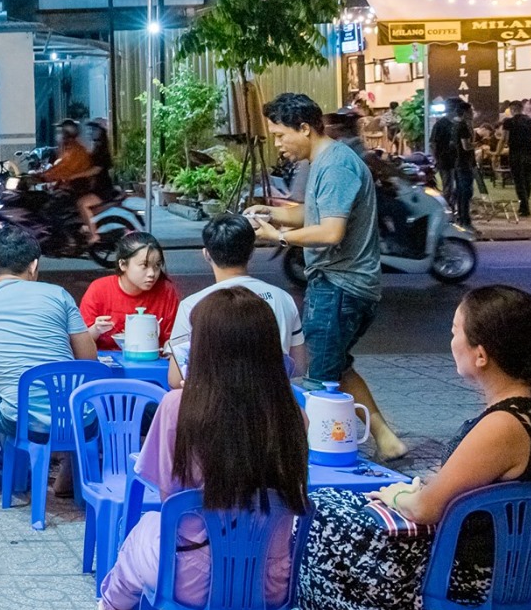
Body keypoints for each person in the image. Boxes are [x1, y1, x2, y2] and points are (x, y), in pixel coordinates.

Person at [294, 285, 531, 610]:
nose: (451, 342)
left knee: (329, 513)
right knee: (354, 513)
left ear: (481, 354)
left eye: (455, 332)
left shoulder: (506, 424)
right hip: (516, 562)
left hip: (473, 571)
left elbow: (426, 507)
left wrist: (397, 495)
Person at [94, 290, 309, 610]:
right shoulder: (292, 414)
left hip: (188, 580)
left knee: (147, 529)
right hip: (271, 583)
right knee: (236, 547)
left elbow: (169, 499)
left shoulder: (178, 408)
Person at [246, 93, 406, 461]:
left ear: (304, 128)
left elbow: (331, 231)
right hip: (343, 285)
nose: (278, 144)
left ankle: (321, 455)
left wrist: (278, 237)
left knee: (318, 380)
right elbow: (313, 213)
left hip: (340, 285)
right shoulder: (324, 161)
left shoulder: (335, 166)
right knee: (338, 366)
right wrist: (271, 213)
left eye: (280, 135)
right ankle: (386, 439)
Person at [0, 226, 97, 500]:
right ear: (34, 265)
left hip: (20, 422)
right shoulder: (59, 295)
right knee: (75, 397)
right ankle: (68, 477)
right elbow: (89, 360)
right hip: (79, 420)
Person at [169, 214, 305, 384]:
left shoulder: (191, 305)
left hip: (213, 398)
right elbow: (298, 368)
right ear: (251, 252)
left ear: (207, 254)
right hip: (273, 395)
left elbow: (176, 378)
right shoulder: (283, 298)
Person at [79, 230, 180, 352]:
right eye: (144, 265)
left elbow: (174, 340)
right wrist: (96, 329)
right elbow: (79, 343)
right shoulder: (99, 289)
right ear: (123, 264)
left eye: (157, 265)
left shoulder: (166, 292)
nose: (152, 273)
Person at [430, 97, 478, 227]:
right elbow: (433, 143)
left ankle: (457, 213)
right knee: (449, 189)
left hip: (457, 160)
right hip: (445, 160)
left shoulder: (460, 124)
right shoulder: (442, 124)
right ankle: (448, 216)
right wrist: (436, 159)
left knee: (460, 190)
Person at [502, 100, 531, 217]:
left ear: (512, 109)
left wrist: (497, 154)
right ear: (522, 108)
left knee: (519, 181)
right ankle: (524, 205)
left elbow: (504, 139)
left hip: (515, 153)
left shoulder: (508, 122)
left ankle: (524, 207)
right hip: (529, 153)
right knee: (527, 180)